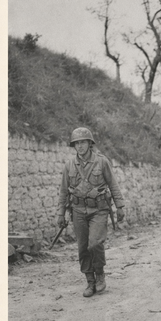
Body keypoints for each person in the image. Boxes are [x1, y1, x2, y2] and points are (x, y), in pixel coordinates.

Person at [57, 127, 125, 298]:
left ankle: (100, 273)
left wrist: (120, 206)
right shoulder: (69, 165)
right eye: (77, 143)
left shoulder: (102, 162)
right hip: (78, 210)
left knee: (94, 243)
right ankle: (90, 281)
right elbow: (64, 191)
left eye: (83, 142)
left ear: (90, 143)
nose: (80, 146)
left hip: (99, 209)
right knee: (82, 247)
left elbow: (113, 184)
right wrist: (60, 214)